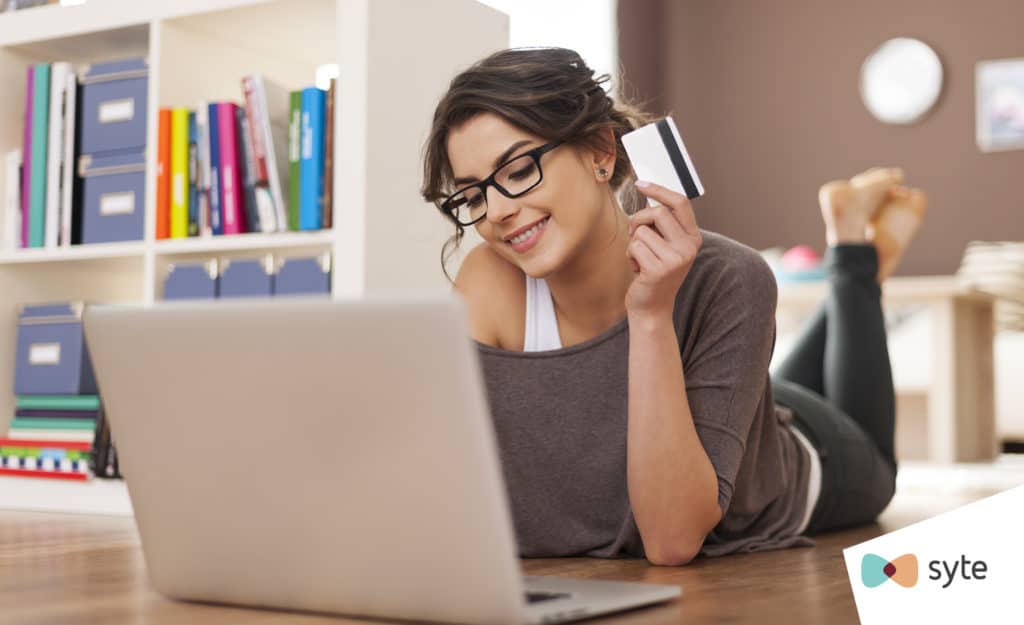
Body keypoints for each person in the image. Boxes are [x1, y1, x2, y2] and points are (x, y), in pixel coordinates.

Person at [419, 47, 928, 566]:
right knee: (752, 396)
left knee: (882, 470)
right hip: (736, 409)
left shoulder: (729, 275)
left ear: (600, 151)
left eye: (520, 169)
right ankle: (853, 255)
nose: (498, 212)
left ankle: (851, 252)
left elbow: (670, 541)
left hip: (808, 458)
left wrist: (651, 315)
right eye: (473, 197)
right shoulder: (488, 280)